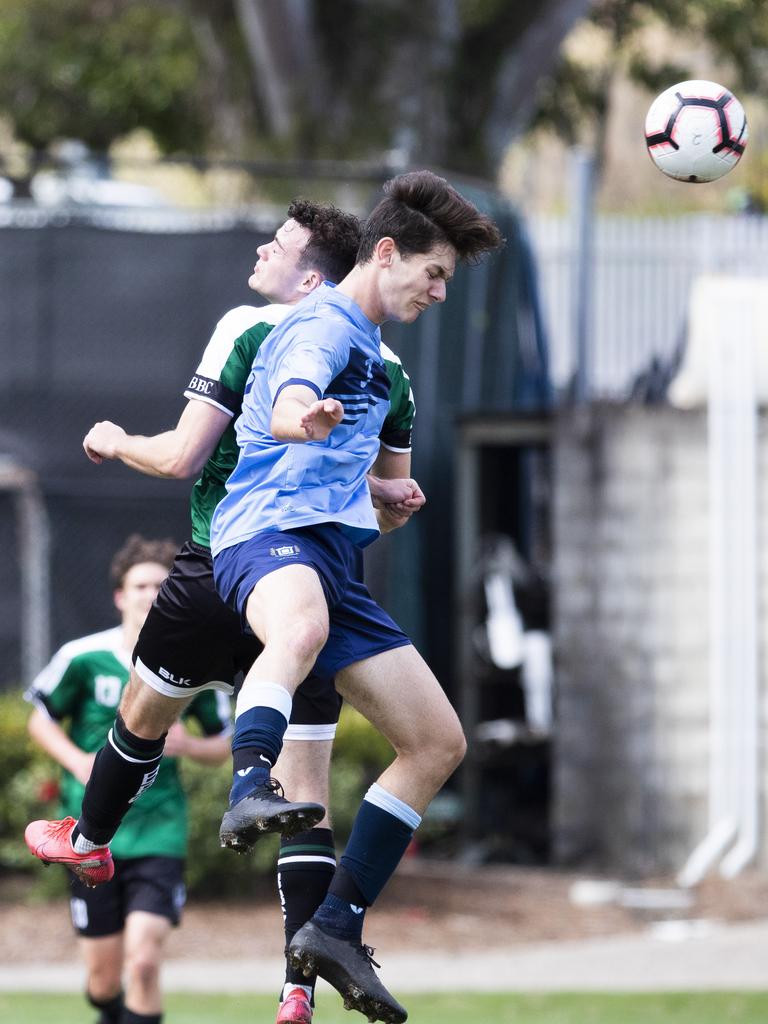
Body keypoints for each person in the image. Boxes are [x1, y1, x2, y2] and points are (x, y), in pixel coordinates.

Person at [24, 199, 424, 1024]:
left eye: (277, 244)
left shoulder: (251, 325)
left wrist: (109, 440)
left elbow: (178, 457)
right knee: (305, 792)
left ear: (313, 278)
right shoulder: (392, 371)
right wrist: (389, 494)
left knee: (141, 716)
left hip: (224, 567)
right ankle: (296, 990)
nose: (260, 250)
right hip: (318, 580)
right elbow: (373, 503)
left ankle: (90, 838)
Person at [209, 169, 503, 1023]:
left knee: (437, 742)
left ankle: (335, 928)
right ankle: (249, 782)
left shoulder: (375, 352)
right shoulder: (325, 323)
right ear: (385, 252)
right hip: (266, 540)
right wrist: (300, 413)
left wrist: (387, 499)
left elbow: (344, 459)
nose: (440, 291)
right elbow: (296, 390)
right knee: (296, 625)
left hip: (332, 559)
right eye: (435, 273)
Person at [25, 535, 232, 1024]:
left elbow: (226, 741)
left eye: (161, 585)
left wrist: (190, 745)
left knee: (143, 963)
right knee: (102, 982)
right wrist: (77, 760)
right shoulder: (83, 656)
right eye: (140, 584)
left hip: (160, 831)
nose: (149, 594)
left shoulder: (193, 667)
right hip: (89, 837)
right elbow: (40, 719)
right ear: (120, 595)